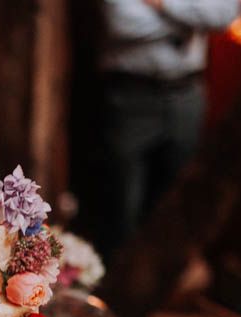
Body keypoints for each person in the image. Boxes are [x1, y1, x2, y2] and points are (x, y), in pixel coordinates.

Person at [96, 0, 238, 261]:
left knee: (177, 204)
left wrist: (161, 4)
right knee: (120, 207)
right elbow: (121, 23)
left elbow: (224, 13)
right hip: (130, 94)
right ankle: (113, 292)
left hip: (187, 93)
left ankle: (158, 293)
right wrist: (192, 18)